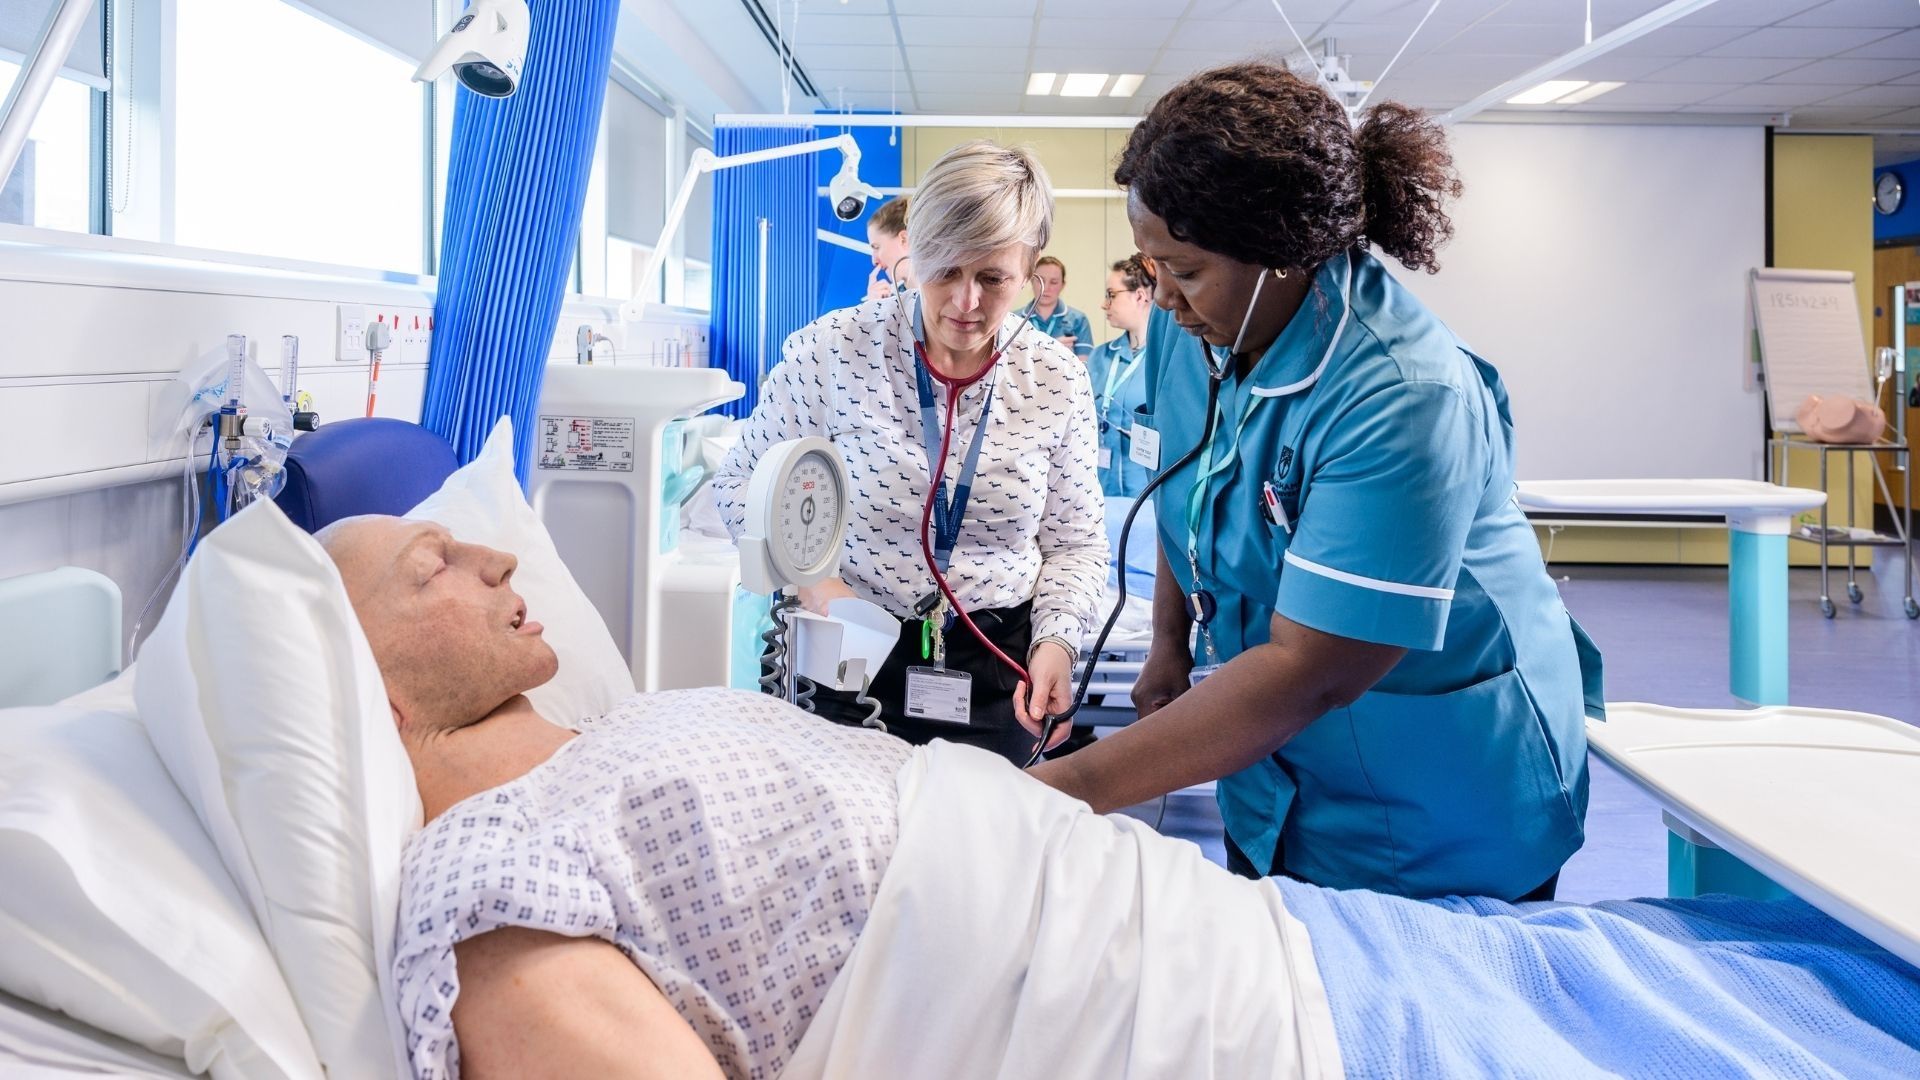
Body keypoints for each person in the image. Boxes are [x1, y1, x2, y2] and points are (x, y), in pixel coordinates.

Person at [320, 516, 1920, 1080]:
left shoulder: (623, 737)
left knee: (1800, 978)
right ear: (370, 688)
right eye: (432, 567)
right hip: (1240, 1036)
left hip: (1259, 940)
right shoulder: (500, 888)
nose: (501, 556)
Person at [1029, 62, 1606, 904]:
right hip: (1272, 772)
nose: (1164, 298)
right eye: (1152, 267)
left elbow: (1312, 671)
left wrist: (1065, 791)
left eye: (1184, 270)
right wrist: (1169, 644)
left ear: (1282, 255)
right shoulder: (1191, 332)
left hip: (1443, 801)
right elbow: (1185, 493)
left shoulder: (1403, 395)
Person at [714, 141, 1105, 763]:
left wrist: (1057, 643)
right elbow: (738, 486)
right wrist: (817, 585)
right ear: (914, 253)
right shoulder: (834, 352)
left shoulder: (1055, 378)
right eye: (945, 270)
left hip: (998, 660)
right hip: (848, 642)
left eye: (994, 278)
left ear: (1031, 271)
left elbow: (1075, 542)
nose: (965, 302)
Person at [1088, 253, 1155, 497]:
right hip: (1099, 494)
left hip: (1147, 499)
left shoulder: (1164, 362)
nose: (1104, 304)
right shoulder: (1100, 357)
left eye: (1111, 295)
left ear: (1140, 295)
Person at [1022, 255, 1094, 360]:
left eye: (1053, 282)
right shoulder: (1016, 319)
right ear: (1031, 281)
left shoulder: (1078, 320)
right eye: (1041, 281)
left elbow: (1084, 368)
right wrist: (1053, 348)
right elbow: (1010, 363)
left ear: (1062, 285)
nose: (1046, 288)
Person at [864, 196, 911, 301]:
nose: (874, 261)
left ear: (904, 240)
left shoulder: (943, 289)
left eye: (876, 247)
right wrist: (876, 310)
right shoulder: (892, 301)